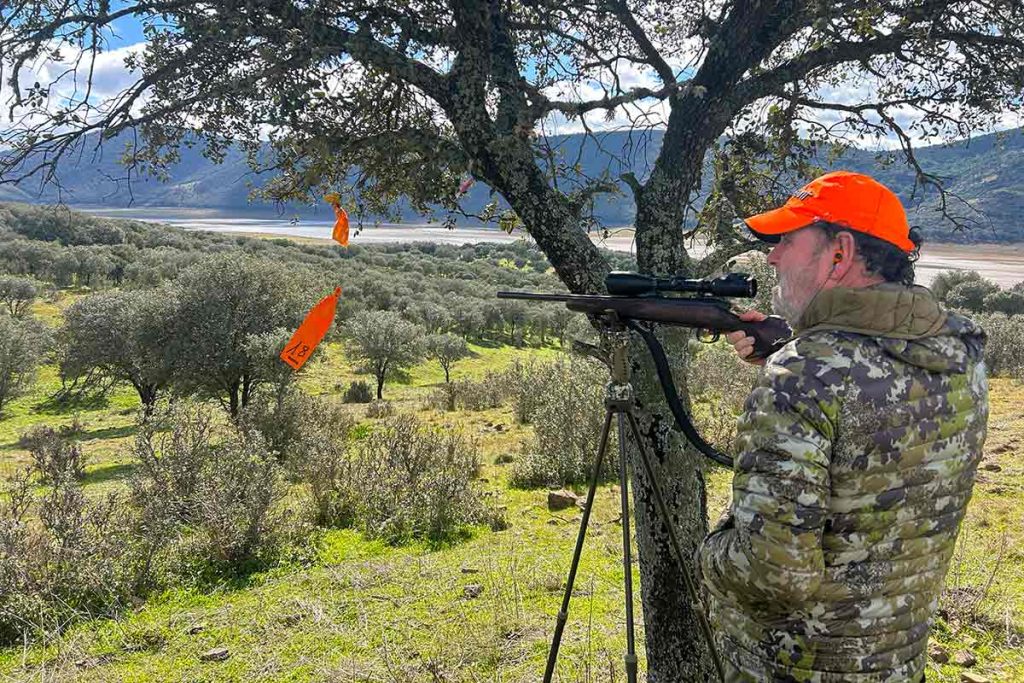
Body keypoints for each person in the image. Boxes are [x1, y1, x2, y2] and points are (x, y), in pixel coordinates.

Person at [696, 171, 989, 682]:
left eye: (787, 240)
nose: (772, 256)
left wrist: (711, 546)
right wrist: (799, 348)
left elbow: (774, 573)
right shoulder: (961, 351)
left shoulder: (805, 374)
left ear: (839, 252)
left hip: (795, 666)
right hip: (898, 661)